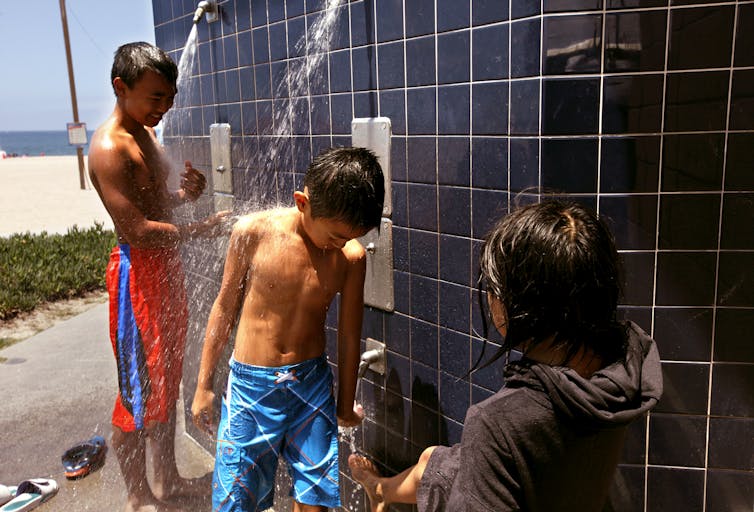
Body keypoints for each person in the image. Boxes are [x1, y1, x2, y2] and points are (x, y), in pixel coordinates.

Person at [348, 199, 664, 512]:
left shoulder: (498, 423)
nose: (490, 297)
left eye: (494, 287)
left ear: (524, 305)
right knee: (434, 459)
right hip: (566, 486)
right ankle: (382, 490)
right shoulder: (625, 365)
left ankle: (382, 491)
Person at [191, 146, 385, 512]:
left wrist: (344, 404)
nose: (340, 245)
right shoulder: (253, 233)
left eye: (349, 238)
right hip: (251, 387)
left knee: (315, 497)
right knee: (235, 497)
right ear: (303, 202)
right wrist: (203, 385)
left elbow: (348, 335)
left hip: (310, 387)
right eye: (334, 236)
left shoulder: (350, 258)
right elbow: (223, 308)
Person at [88, 41, 228, 512]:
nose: (163, 109)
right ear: (121, 88)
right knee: (137, 390)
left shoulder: (145, 135)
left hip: (164, 270)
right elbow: (139, 230)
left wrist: (186, 194)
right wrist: (200, 228)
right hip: (136, 278)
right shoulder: (109, 149)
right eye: (155, 99)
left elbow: (156, 201)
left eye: (169, 99)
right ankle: (137, 494)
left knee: (165, 381)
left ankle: (165, 481)